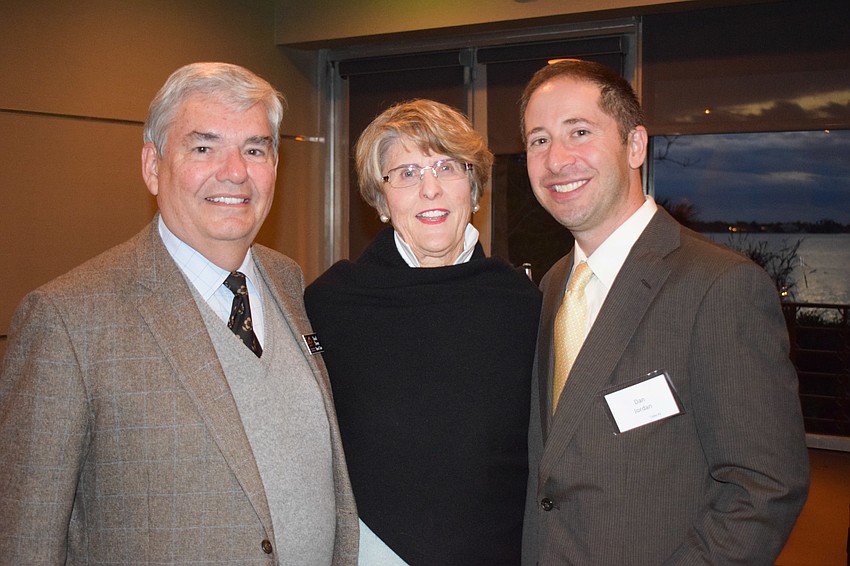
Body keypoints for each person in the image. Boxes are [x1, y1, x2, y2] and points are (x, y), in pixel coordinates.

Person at [0, 62, 357, 565]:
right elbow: (25, 540)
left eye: (254, 149)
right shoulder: (67, 320)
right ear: (153, 166)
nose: (235, 171)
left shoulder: (289, 281)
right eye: (204, 148)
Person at [519, 59, 810, 565]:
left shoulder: (720, 286)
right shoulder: (550, 287)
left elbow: (764, 488)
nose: (556, 159)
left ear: (635, 145)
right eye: (538, 140)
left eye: (579, 132)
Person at [304, 99, 541, 565]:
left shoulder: (523, 305)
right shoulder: (330, 305)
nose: (430, 189)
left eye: (446, 168)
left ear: (474, 189)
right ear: (382, 200)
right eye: (407, 173)